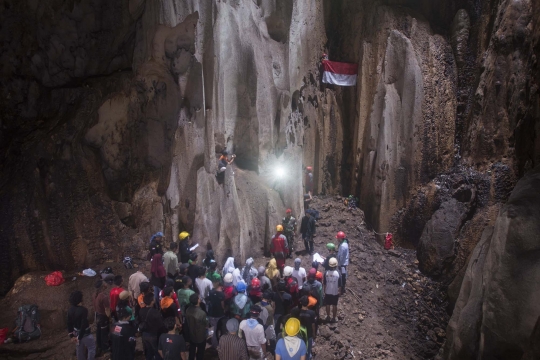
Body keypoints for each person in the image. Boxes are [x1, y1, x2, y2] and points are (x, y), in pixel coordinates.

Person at [68, 291, 96, 360]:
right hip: (85, 333)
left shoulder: (70, 310)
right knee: (91, 347)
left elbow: (69, 323)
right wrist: (79, 337)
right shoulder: (84, 310)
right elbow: (83, 324)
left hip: (75, 333)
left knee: (79, 349)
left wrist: (71, 336)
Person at [139, 293, 167, 360]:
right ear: (152, 301)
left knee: (148, 351)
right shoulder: (155, 312)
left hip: (144, 334)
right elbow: (161, 325)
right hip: (153, 335)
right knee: (157, 352)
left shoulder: (141, 310)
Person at [185, 293, 208, 360]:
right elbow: (206, 323)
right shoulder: (202, 313)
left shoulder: (188, 309)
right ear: (198, 300)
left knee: (192, 349)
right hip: (200, 335)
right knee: (201, 351)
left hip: (191, 333)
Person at [93, 279, 111, 355]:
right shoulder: (104, 296)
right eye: (105, 283)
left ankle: (99, 346)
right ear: (103, 286)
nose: (106, 284)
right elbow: (107, 309)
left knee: (99, 331)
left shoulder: (94, 294)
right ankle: (105, 347)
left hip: (97, 314)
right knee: (104, 332)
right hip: (103, 316)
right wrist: (109, 318)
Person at [206, 280, 225, 348]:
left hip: (211, 314)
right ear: (221, 286)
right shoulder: (222, 294)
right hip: (219, 314)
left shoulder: (211, 292)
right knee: (220, 329)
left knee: (212, 330)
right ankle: (221, 343)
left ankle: (214, 344)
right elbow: (222, 305)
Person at [323, 257, 341, 323]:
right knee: (334, 305)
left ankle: (328, 316)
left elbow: (324, 284)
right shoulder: (338, 273)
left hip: (328, 292)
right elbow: (340, 285)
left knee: (327, 304)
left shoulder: (326, 273)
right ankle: (334, 317)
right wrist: (340, 291)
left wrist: (324, 291)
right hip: (335, 292)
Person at [336, 231, 349, 295]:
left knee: (342, 276)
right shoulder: (345, 243)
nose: (337, 239)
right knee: (343, 275)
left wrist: (339, 264)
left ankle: (342, 288)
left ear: (341, 238)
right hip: (344, 262)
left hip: (342, 264)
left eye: (338, 238)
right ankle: (343, 286)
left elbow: (341, 256)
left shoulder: (342, 246)